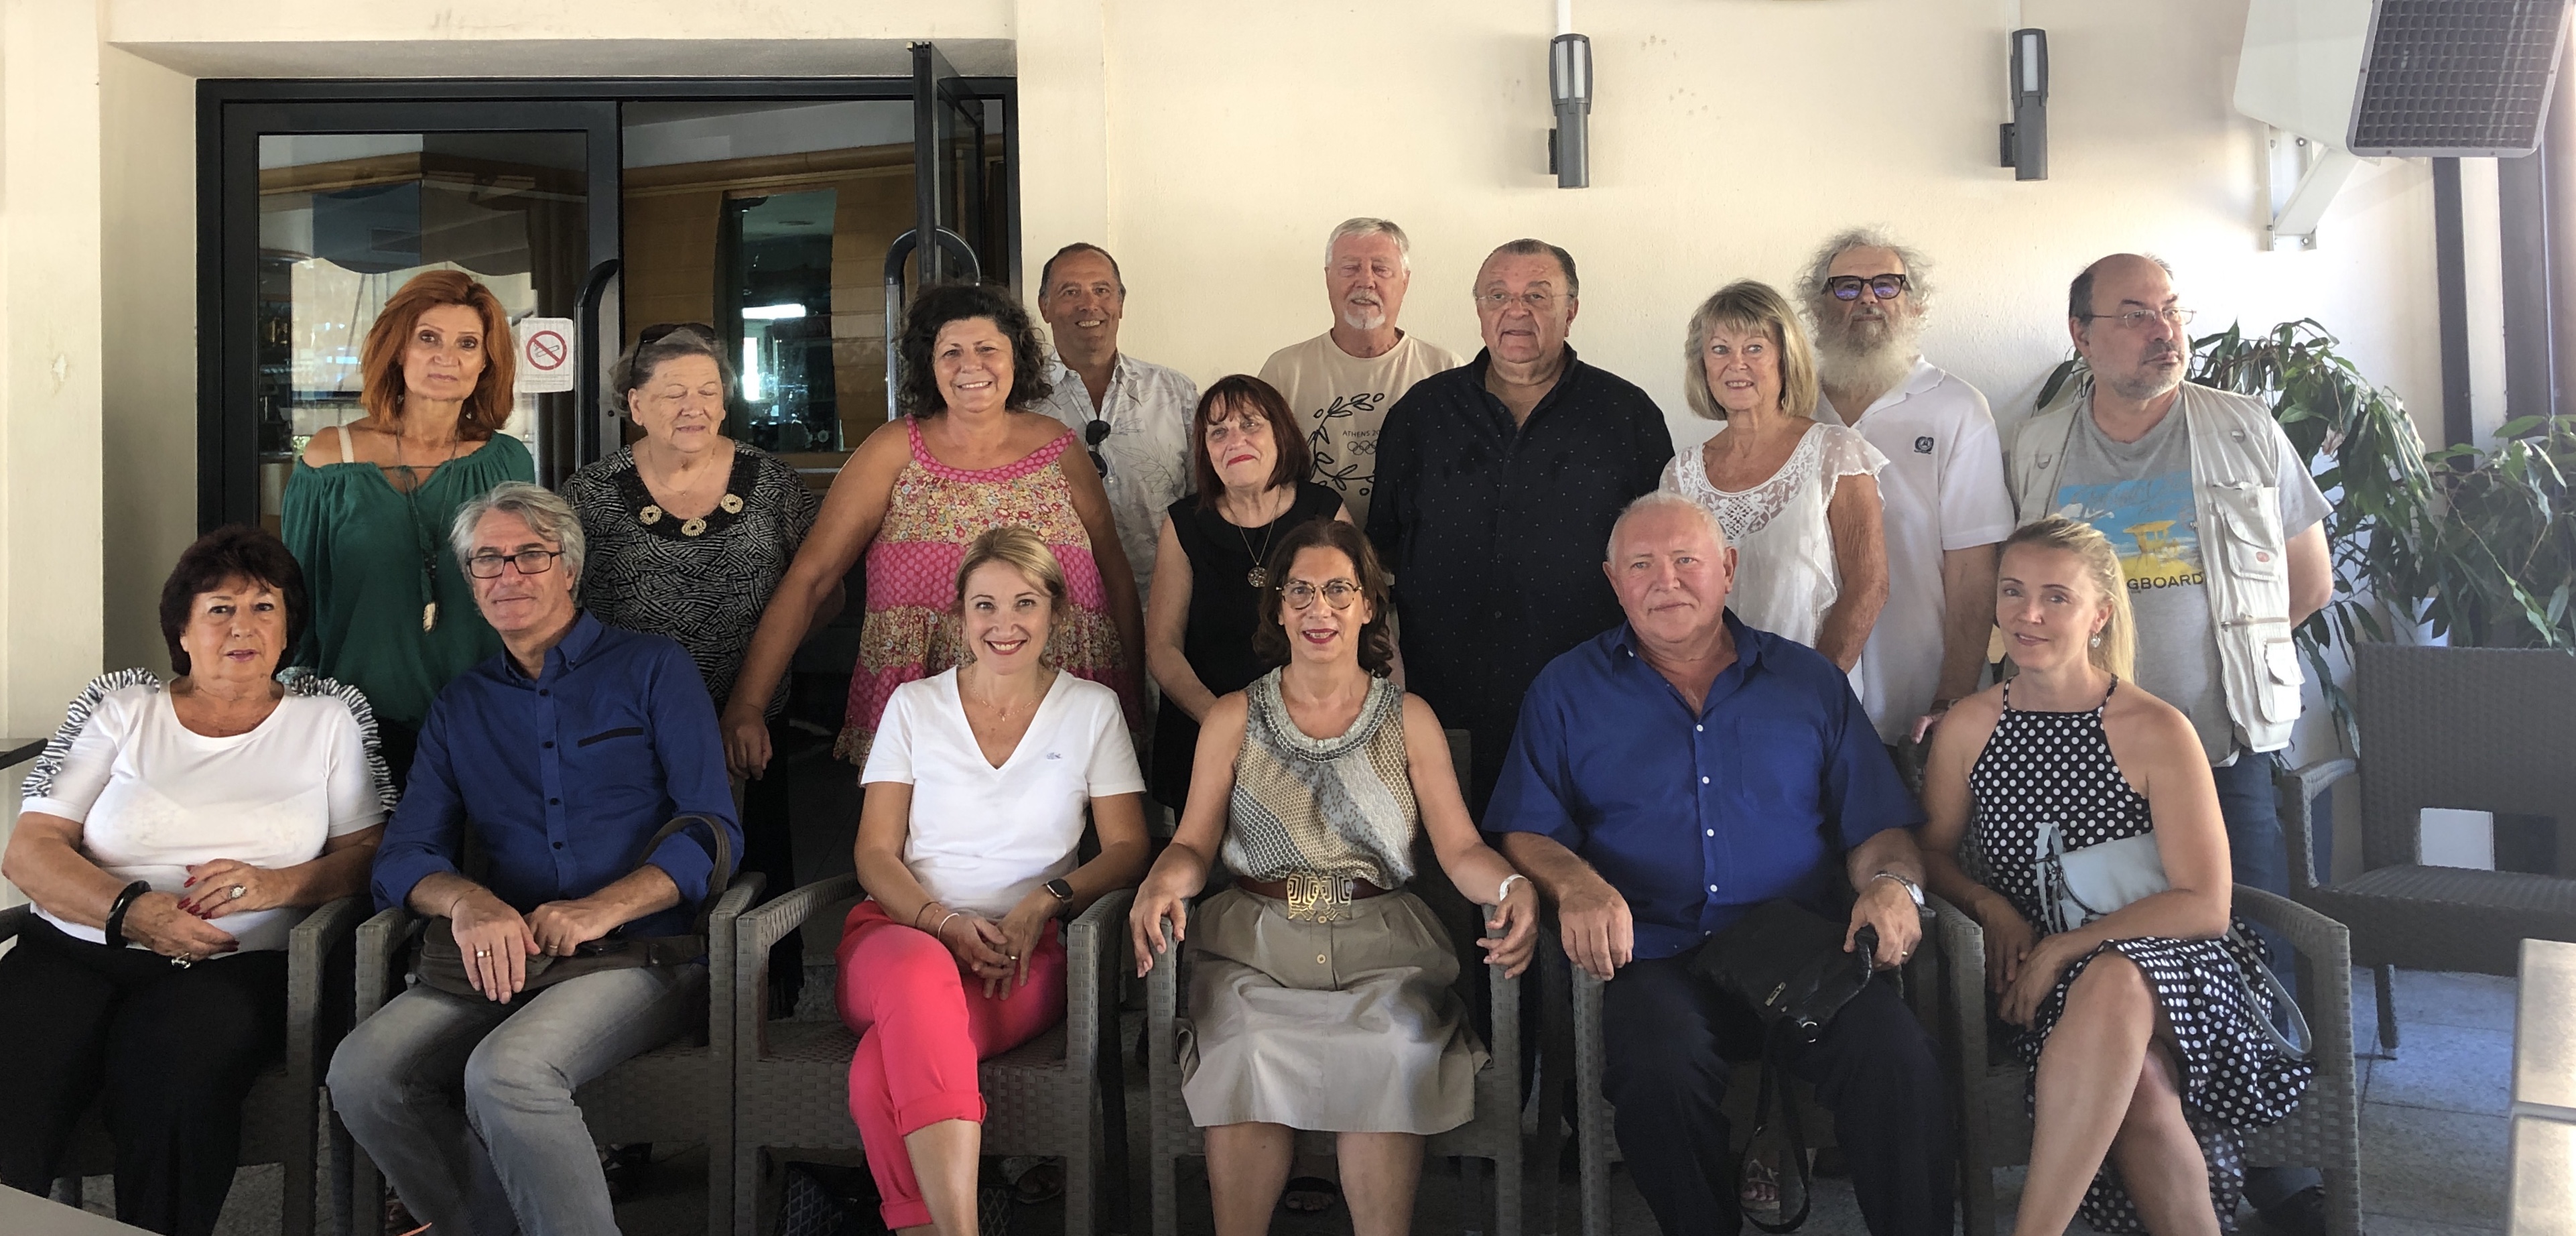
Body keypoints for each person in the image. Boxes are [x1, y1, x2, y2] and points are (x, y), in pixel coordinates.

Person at [1486, 491, 1952, 1236]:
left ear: (1728, 568)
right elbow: (1525, 829)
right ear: (1613, 581)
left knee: (1898, 1054)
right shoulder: (1566, 690)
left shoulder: (1808, 682)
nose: (1665, 581)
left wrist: (1893, 884)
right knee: (1657, 1073)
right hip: (1652, 953)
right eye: (1642, 565)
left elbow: (1879, 828)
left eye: (1686, 560)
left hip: (1800, 945)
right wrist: (1576, 883)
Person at [2006, 253, 2333, 1232]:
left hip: (2224, 749)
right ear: (2082, 335)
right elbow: (2023, 590)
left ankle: (2281, 1168)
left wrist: (2206, 679)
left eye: (2172, 311)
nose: (2165, 331)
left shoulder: (2242, 426)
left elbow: (2307, 582)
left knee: (2249, 948)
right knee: (2125, 957)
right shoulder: (2038, 443)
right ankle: (2167, 1147)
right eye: (2136, 314)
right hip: (2087, 764)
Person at [326, 483, 741, 1236]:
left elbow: (712, 831)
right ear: (470, 580)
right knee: (362, 1075)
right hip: (505, 953)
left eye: (530, 555)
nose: (508, 574)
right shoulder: (461, 705)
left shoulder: (654, 668)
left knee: (507, 1072)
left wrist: (601, 908)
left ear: (569, 568)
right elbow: (405, 853)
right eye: (488, 559)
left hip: (644, 953)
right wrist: (468, 902)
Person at [1131, 517, 1537, 1236]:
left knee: (1391, 1048)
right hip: (1253, 948)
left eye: (1339, 590)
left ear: (1369, 604)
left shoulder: (1410, 718)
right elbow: (1192, 842)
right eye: (1301, 591)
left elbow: (1461, 847)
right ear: (1278, 608)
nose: (1319, 608)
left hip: (1384, 949)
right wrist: (1165, 876)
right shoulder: (1231, 717)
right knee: (1246, 1045)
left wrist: (1511, 886)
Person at [1917, 516, 2313, 1235]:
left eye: (2055, 597)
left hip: (2182, 969)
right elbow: (1932, 853)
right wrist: (1987, 904)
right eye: (2013, 591)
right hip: (2041, 983)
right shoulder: (1969, 727)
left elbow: (2206, 904)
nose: (2028, 614)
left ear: (2099, 614)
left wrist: (2070, 946)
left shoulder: (2156, 727)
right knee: (2142, 1090)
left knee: (2116, 979)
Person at [0, 527, 389, 1236]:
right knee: (13, 1071)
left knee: (172, 1074)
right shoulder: (125, 711)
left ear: (288, 630)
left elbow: (368, 851)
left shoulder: (326, 721)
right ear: (182, 630)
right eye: (219, 609)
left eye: (264, 607)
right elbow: (30, 850)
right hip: (79, 947)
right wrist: (129, 910)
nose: (243, 626)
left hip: (234, 967)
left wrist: (279, 885)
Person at [839, 527, 1151, 1235]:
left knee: (876, 1071)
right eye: (984, 605)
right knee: (920, 973)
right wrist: (941, 922)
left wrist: (1046, 900)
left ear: (1057, 613)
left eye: (1024, 603)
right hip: (897, 934)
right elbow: (874, 853)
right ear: (958, 616)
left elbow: (1130, 847)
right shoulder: (913, 706)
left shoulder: (1091, 709)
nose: (1003, 623)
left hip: (1021, 953)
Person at [720, 281, 1145, 777]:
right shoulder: (892, 451)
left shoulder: (1059, 448)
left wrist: (1135, 702)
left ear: (1016, 358)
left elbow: (1114, 573)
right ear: (930, 364)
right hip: (927, 721)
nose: (971, 366)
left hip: (1063, 708)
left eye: (987, 349)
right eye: (951, 353)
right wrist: (748, 703)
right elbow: (811, 578)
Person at [560, 322, 822, 1009]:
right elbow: (565, 608)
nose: (694, 406)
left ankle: (763, 1003)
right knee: (642, 856)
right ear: (634, 402)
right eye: (673, 391)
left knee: (757, 856)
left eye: (708, 391)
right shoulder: (589, 494)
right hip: (628, 729)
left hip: (747, 715)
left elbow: (821, 594)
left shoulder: (773, 483)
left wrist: (759, 685)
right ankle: (643, 997)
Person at [1368, 238, 1671, 810]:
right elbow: (1382, 550)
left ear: (1571, 310)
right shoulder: (1420, 415)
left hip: (1585, 696)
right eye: (1498, 295)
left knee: (1575, 847)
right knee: (1450, 850)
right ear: (1479, 310)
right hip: (1444, 698)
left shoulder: (1627, 416)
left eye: (1537, 295)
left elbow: (1660, 560)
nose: (1516, 311)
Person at [283, 268, 534, 786]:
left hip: (484, 716)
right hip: (354, 723)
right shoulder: (330, 458)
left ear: (486, 361)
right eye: (429, 338)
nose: (447, 357)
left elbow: (529, 590)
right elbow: (296, 600)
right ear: (398, 349)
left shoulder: (508, 460)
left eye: (468, 343)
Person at [1801, 229, 2013, 749]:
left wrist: (1952, 697)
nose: (1867, 298)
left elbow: (1973, 568)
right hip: (1805, 698)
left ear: (1915, 304)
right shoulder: (1791, 406)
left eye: (1886, 284)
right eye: (1847, 286)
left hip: (1921, 700)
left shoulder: (1957, 408)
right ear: (1818, 308)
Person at [1662, 279, 1889, 693]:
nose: (1736, 364)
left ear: (1786, 359)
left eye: (1754, 348)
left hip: (1811, 697)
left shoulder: (1836, 452)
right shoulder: (1681, 475)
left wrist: (1811, 693)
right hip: (1709, 701)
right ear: (1703, 365)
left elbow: (1869, 586)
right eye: (1720, 349)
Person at [1145, 375, 1346, 815]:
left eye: (1250, 424)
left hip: (1315, 733)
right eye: (1218, 432)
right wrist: (1221, 720)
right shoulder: (1183, 524)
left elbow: (1361, 624)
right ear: (1206, 451)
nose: (1234, 440)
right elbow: (1162, 647)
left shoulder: (1324, 511)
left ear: (1281, 434)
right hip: (1207, 731)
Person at [1257, 217, 1463, 528]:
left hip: (1415, 550)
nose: (1366, 281)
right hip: (1311, 551)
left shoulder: (1445, 371)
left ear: (1405, 281)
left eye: (1381, 269)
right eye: (1350, 268)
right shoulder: (1284, 371)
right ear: (1328, 278)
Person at [1031, 242, 1200, 612]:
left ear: (1121, 303)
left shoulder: (1176, 394)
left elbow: (1205, 506)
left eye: (1102, 290)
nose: (1089, 304)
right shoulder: (1019, 400)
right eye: (1070, 292)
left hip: (1164, 610)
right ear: (1045, 306)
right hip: (1054, 613)